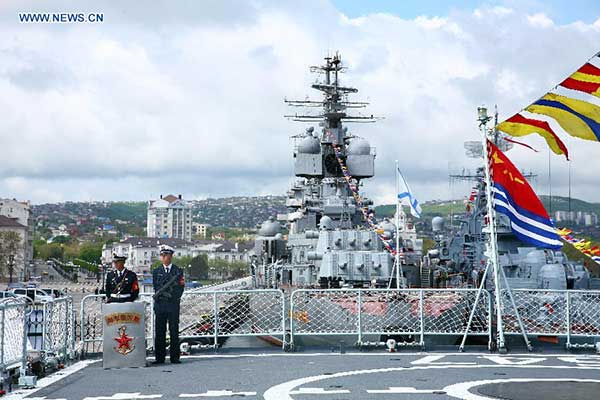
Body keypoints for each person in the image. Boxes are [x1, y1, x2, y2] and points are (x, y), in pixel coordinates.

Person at [152, 244, 185, 365]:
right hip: (160, 305)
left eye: (166, 255)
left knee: (174, 331)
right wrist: (163, 296)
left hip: (173, 305)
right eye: (162, 255)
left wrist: (171, 297)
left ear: (171, 256)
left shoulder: (178, 271)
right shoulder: (156, 271)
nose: (164, 257)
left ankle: (174, 357)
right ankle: (159, 358)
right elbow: (156, 287)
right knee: (160, 332)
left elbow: (180, 289)